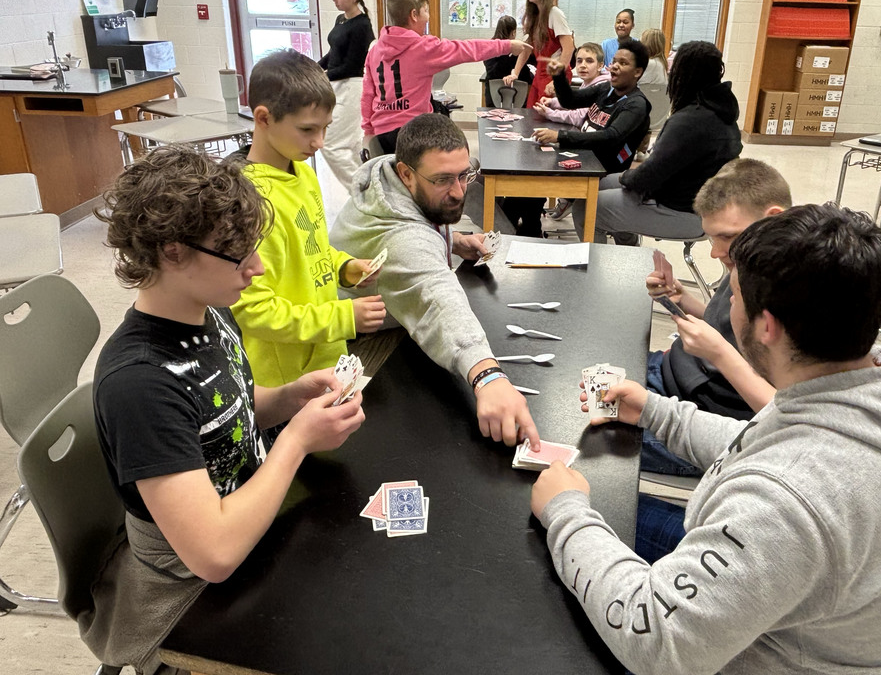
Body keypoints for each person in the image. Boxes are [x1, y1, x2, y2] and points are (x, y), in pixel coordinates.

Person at [531, 203, 881, 675]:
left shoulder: (786, 502)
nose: (727, 307)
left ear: (767, 326)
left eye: (733, 295)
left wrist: (567, 515)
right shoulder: (861, 392)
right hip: (802, 618)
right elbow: (762, 440)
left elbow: (654, 640)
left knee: (542, 561)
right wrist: (655, 412)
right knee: (612, 505)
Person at [84, 146, 367, 675]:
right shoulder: (141, 384)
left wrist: (289, 398)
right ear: (173, 253)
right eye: (237, 254)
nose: (257, 269)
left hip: (246, 529)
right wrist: (296, 441)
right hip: (183, 600)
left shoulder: (210, 312)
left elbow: (222, 419)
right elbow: (212, 555)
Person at [330, 113, 541, 453]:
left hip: (392, 324)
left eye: (463, 175)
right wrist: (488, 377)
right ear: (406, 174)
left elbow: (418, 226)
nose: (458, 192)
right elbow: (438, 300)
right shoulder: (402, 241)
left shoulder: (394, 179)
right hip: (364, 352)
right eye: (444, 180)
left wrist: (453, 240)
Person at [226, 49, 387, 390]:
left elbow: (310, 249)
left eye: (325, 128)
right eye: (307, 129)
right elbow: (254, 312)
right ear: (263, 118)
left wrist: (344, 267)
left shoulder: (303, 172)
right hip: (286, 382)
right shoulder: (249, 202)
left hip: (327, 359)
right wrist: (343, 317)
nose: (319, 142)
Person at [641, 158, 790, 483]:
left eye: (727, 237)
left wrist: (719, 354)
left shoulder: (792, 291)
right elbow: (724, 322)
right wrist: (682, 300)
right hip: (672, 377)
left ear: (772, 220)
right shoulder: (750, 259)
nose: (715, 252)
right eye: (711, 239)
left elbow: (789, 417)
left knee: (579, 432)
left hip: (708, 422)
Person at [570, 41, 742, 245]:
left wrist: (627, 178)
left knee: (585, 206)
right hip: (704, 205)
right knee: (597, 184)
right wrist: (627, 178)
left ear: (685, 75)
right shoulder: (722, 110)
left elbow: (648, 177)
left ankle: (600, 273)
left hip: (683, 212)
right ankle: (627, 250)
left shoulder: (690, 120)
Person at [362, 0, 531, 154]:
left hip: (380, 136)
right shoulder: (423, 48)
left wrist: (368, 131)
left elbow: (368, 95)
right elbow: (466, 49)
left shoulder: (374, 51)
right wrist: (506, 45)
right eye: (426, 11)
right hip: (413, 135)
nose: (428, 17)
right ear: (414, 15)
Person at [532, 39, 651, 174]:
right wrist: (559, 76)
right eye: (614, 61)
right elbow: (570, 101)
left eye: (623, 63)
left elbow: (610, 136)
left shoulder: (637, 104)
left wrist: (560, 136)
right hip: (583, 155)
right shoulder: (606, 88)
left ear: (637, 72)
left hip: (604, 169)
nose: (615, 66)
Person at [318, 0, 375, 193]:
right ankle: (366, 189)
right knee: (350, 146)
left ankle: (358, 192)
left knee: (331, 144)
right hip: (336, 84)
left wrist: (324, 75)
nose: (334, 0)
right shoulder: (341, 19)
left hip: (351, 87)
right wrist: (315, 67)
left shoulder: (362, 26)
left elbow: (352, 66)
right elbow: (334, 53)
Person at [504, 0, 575, 107]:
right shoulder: (535, 15)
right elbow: (527, 48)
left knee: (545, 119)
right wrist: (515, 73)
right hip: (540, 74)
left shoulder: (555, 14)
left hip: (554, 74)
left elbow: (569, 47)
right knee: (532, 115)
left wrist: (557, 80)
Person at [533, 41, 610, 127]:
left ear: (600, 66)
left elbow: (579, 118)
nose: (583, 65)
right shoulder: (587, 82)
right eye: (579, 61)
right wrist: (552, 102)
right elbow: (576, 102)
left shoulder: (602, 86)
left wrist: (550, 113)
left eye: (589, 61)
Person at [483, 15, 534, 107]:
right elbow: (525, 74)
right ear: (513, 32)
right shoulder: (515, 50)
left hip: (493, 96)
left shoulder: (488, 47)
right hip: (516, 100)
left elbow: (492, 72)